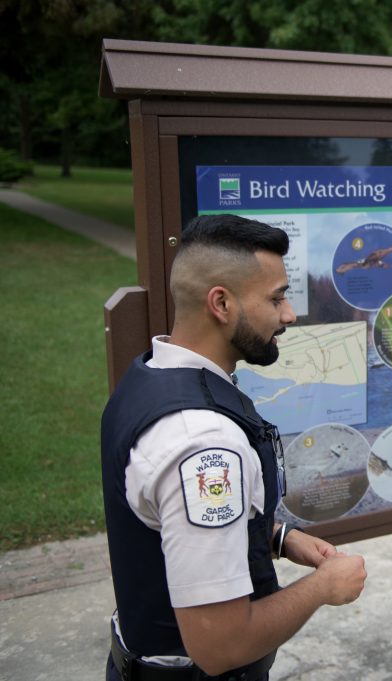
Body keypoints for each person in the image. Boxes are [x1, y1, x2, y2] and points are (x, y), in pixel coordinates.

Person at [101, 214, 367, 681]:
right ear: (221, 303)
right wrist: (322, 587)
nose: (288, 314)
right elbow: (220, 645)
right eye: (276, 297)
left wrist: (279, 538)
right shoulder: (204, 445)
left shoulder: (150, 375)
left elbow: (168, 522)